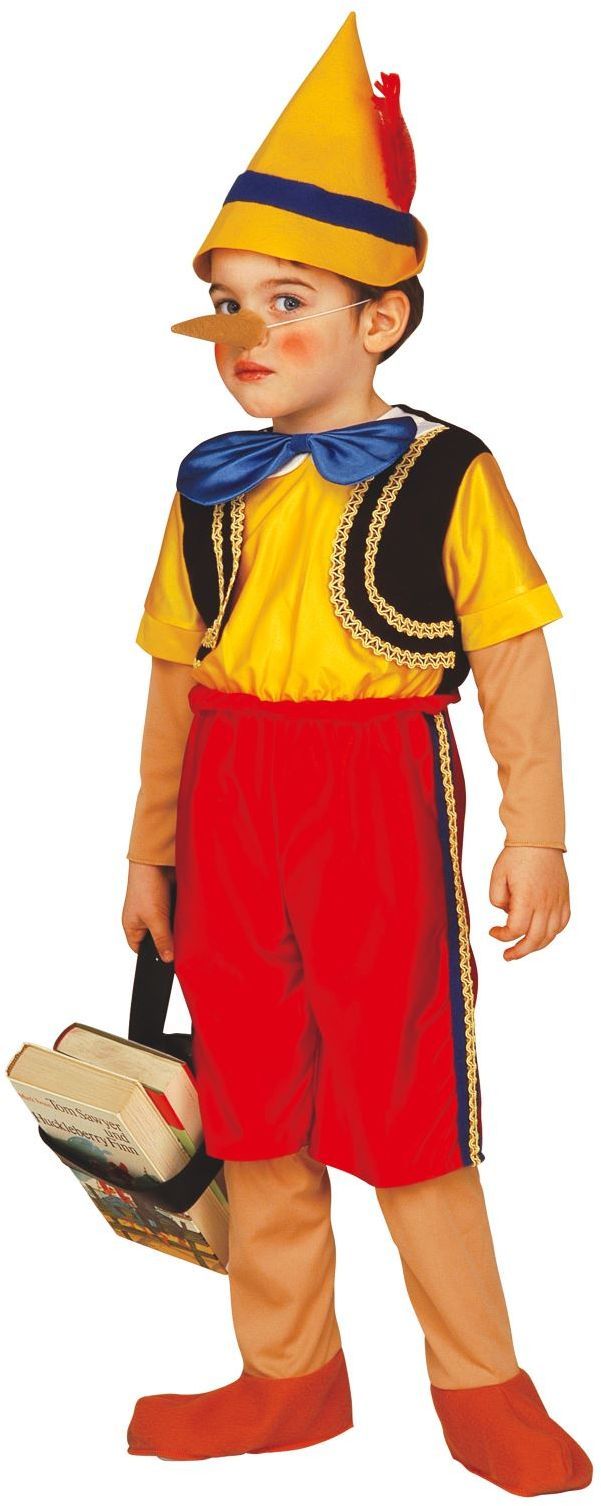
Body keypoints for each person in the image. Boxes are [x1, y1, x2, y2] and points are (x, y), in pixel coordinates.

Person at [121, 12, 593, 1493]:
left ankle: (480, 1384)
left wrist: (534, 833)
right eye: (225, 306)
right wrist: (150, 851)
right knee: (253, 1094)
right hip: (231, 795)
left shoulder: (450, 472)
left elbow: (512, 658)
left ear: (380, 319)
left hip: (374, 792)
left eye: (287, 301)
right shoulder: (209, 488)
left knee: (404, 1100)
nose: (246, 337)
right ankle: (288, 1375)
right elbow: (175, 678)